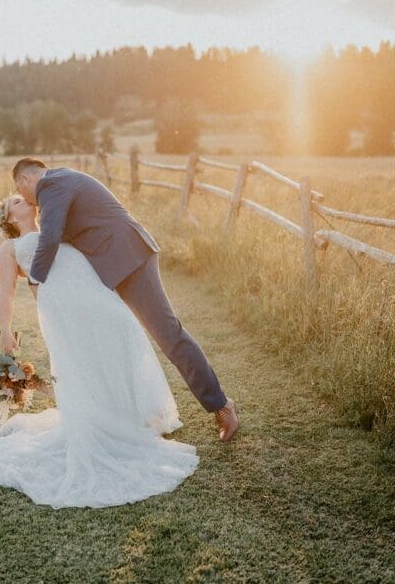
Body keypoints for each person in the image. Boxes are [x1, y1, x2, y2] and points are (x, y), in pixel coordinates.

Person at [0, 193, 199, 508]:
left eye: (21, 197)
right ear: (9, 219)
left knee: (123, 341)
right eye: (14, 202)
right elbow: (6, 292)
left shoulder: (57, 227)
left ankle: (128, 418)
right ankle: (99, 426)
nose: (22, 200)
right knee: (80, 363)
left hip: (96, 297)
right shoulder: (10, 248)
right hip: (63, 310)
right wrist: (5, 330)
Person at [13, 158, 239, 441]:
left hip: (130, 260)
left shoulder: (51, 185)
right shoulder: (60, 182)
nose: (25, 200)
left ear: (24, 180)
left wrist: (35, 279)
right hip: (115, 265)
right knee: (115, 339)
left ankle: (222, 405)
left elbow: (50, 237)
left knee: (168, 334)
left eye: (21, 194)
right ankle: (128, 415)